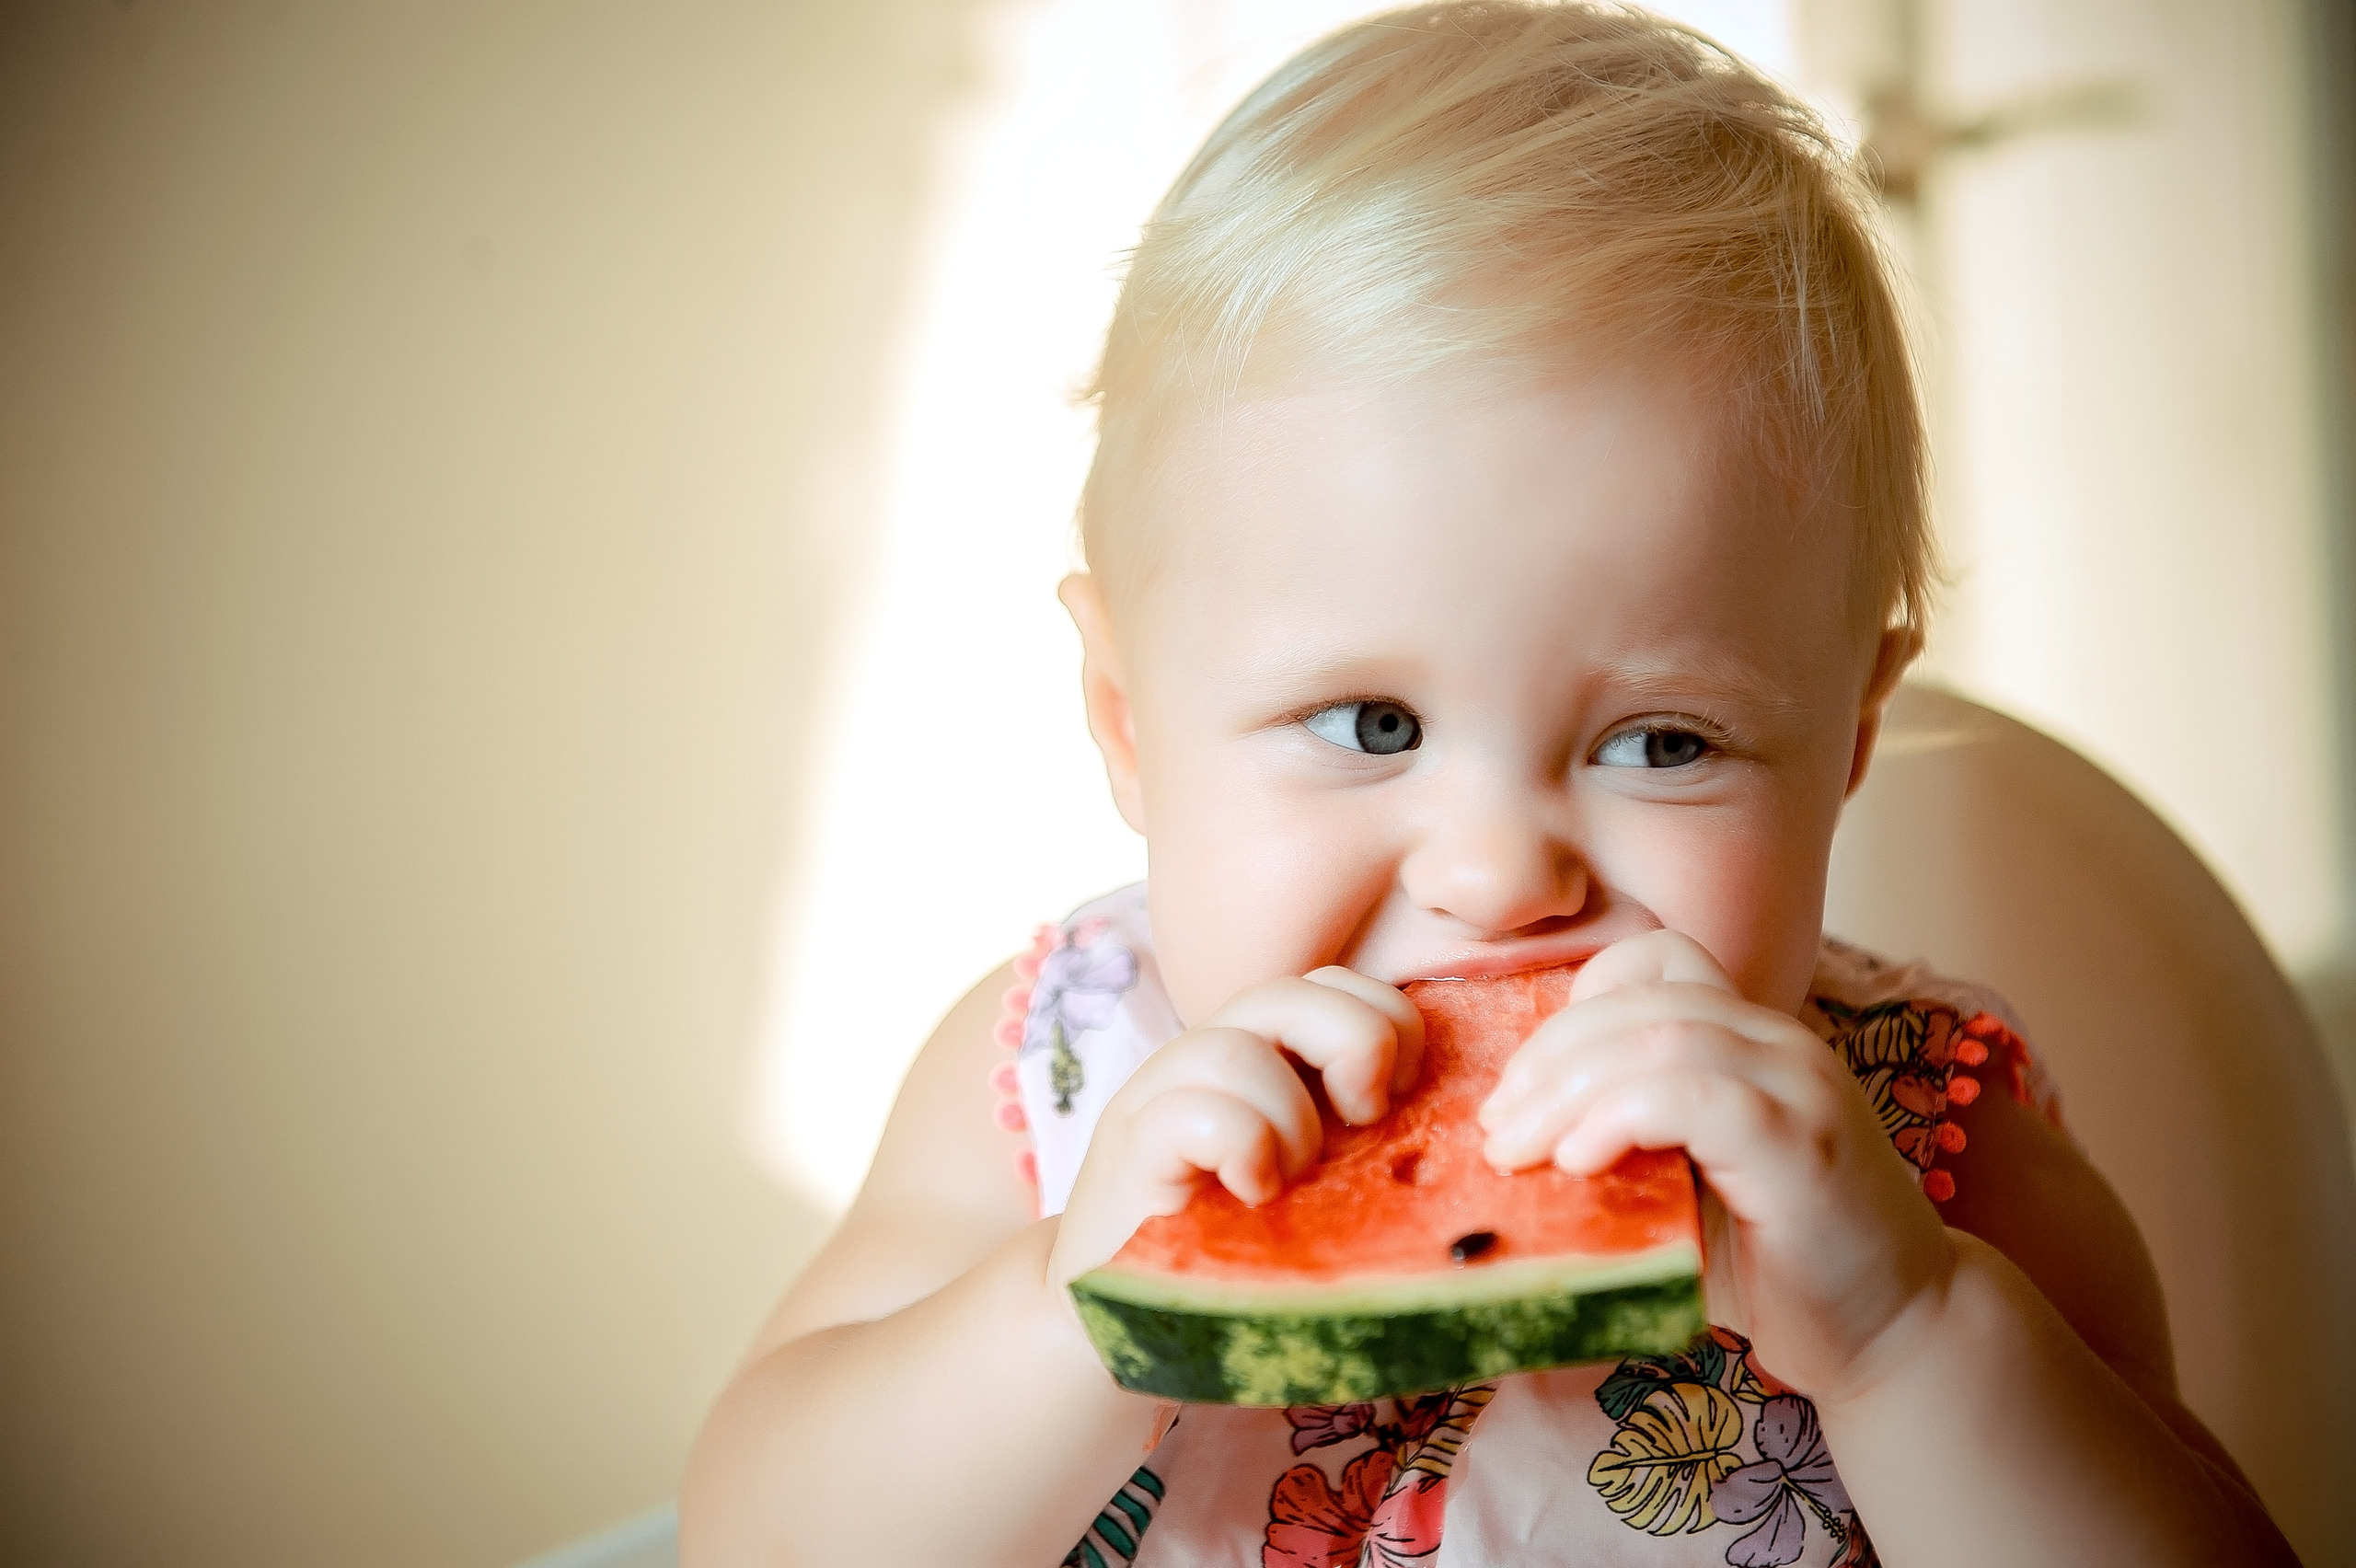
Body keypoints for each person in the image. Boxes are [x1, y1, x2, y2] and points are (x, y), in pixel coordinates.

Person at [680, 5, 2299, 1563]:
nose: (1499, 874)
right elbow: (753, 1543)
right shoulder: (1059, 1077)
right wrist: (1067, 1314)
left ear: (1848, 739)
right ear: (1127, 718)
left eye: (1663, 743)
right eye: (1371, 723)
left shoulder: (1929, 1146)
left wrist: (1907, 1335)